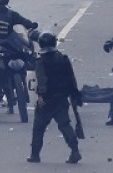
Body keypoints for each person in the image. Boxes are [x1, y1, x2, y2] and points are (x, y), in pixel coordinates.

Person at [29, 31, 83, 164]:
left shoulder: (41, 61)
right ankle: (75, 151)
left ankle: (35, 155)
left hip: (47, 99)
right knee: (65, 125)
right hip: (61, 98)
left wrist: (41, 95)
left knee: (38, 127)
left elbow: (42, 79)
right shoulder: (63, 58)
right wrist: (74, 95)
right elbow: (71, 78)